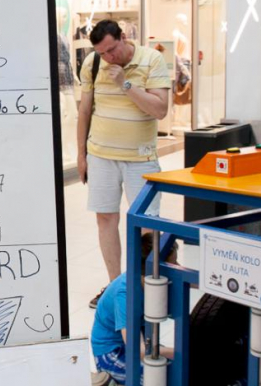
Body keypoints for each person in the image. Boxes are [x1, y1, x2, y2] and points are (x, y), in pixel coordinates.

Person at [77, 19, 170, 308]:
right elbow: (85, 110)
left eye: (112, 50)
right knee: (105, 218)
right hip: (101, 154)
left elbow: (160, 109)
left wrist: (125, 84)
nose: (108, 58)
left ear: (124, 37)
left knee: (146, 224)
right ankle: (116, 286)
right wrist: (81, 155)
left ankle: (145, 286)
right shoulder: (93, 64)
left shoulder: (152, 59)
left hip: (140, 158)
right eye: (102, 53)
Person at [91, 233, 177, 385]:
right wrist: (179, 352)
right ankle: (107, 380)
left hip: (137, 344)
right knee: (161, 378)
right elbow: (138, 350)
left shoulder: (147, 280)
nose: (177, 268)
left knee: (175, 369)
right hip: (112, 352)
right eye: (172, 264)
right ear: (154, 270)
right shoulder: (125, 295)